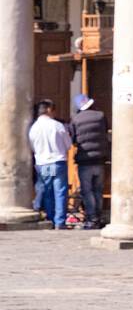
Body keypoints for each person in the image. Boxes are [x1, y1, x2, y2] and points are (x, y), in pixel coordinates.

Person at [28, 100, 72, 229]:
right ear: (49, 110)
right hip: (58, 161)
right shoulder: (57, 125)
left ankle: (51, 218)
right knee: (60, 192)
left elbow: (32, 147)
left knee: (48, 191)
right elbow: (68, 144)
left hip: (43, 163)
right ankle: (60, 221)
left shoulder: (34, 128)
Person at [68, 93, 109, 229]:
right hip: (100, 159)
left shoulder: (76, 119)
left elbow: (73, 139)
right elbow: (105, 131)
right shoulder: (101, 116)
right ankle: (98, 216)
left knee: (87, 191)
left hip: (84, 160)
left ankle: (92, 218)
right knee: (98, 190)